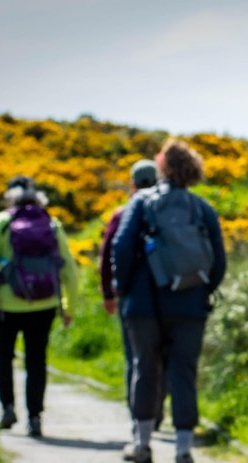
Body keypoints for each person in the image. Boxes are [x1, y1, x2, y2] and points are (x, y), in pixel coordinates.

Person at [112, 139, 226, 463]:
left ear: (162, 167)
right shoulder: (201, 208)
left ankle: (143, 445)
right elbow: (218, 262)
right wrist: (199, 289)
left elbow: (121, 246)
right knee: (183, 375)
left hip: (144, 305)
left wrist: (127, 289)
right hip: (190, 307)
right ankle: (183, 452)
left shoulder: (141, 204)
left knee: (144, 369)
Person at [0, 175, 80, 438]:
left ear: (9, 197)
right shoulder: (52, 223)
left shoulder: (2, 222)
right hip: (44, 304)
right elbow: (69, 269)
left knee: (4, 358)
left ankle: (7, 408)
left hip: (6, 305)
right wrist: (68, 307)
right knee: (36, 361)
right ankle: (35, 416)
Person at [99, 159, 164, 429]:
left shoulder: (121, 213)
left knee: (135, 358)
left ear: (132, 183)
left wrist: (111, 292)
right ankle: (157, 414)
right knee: (161, 356)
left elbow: (108, 255)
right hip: (168, 292)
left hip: (134, 298)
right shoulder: (166, 209)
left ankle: (139, 417)